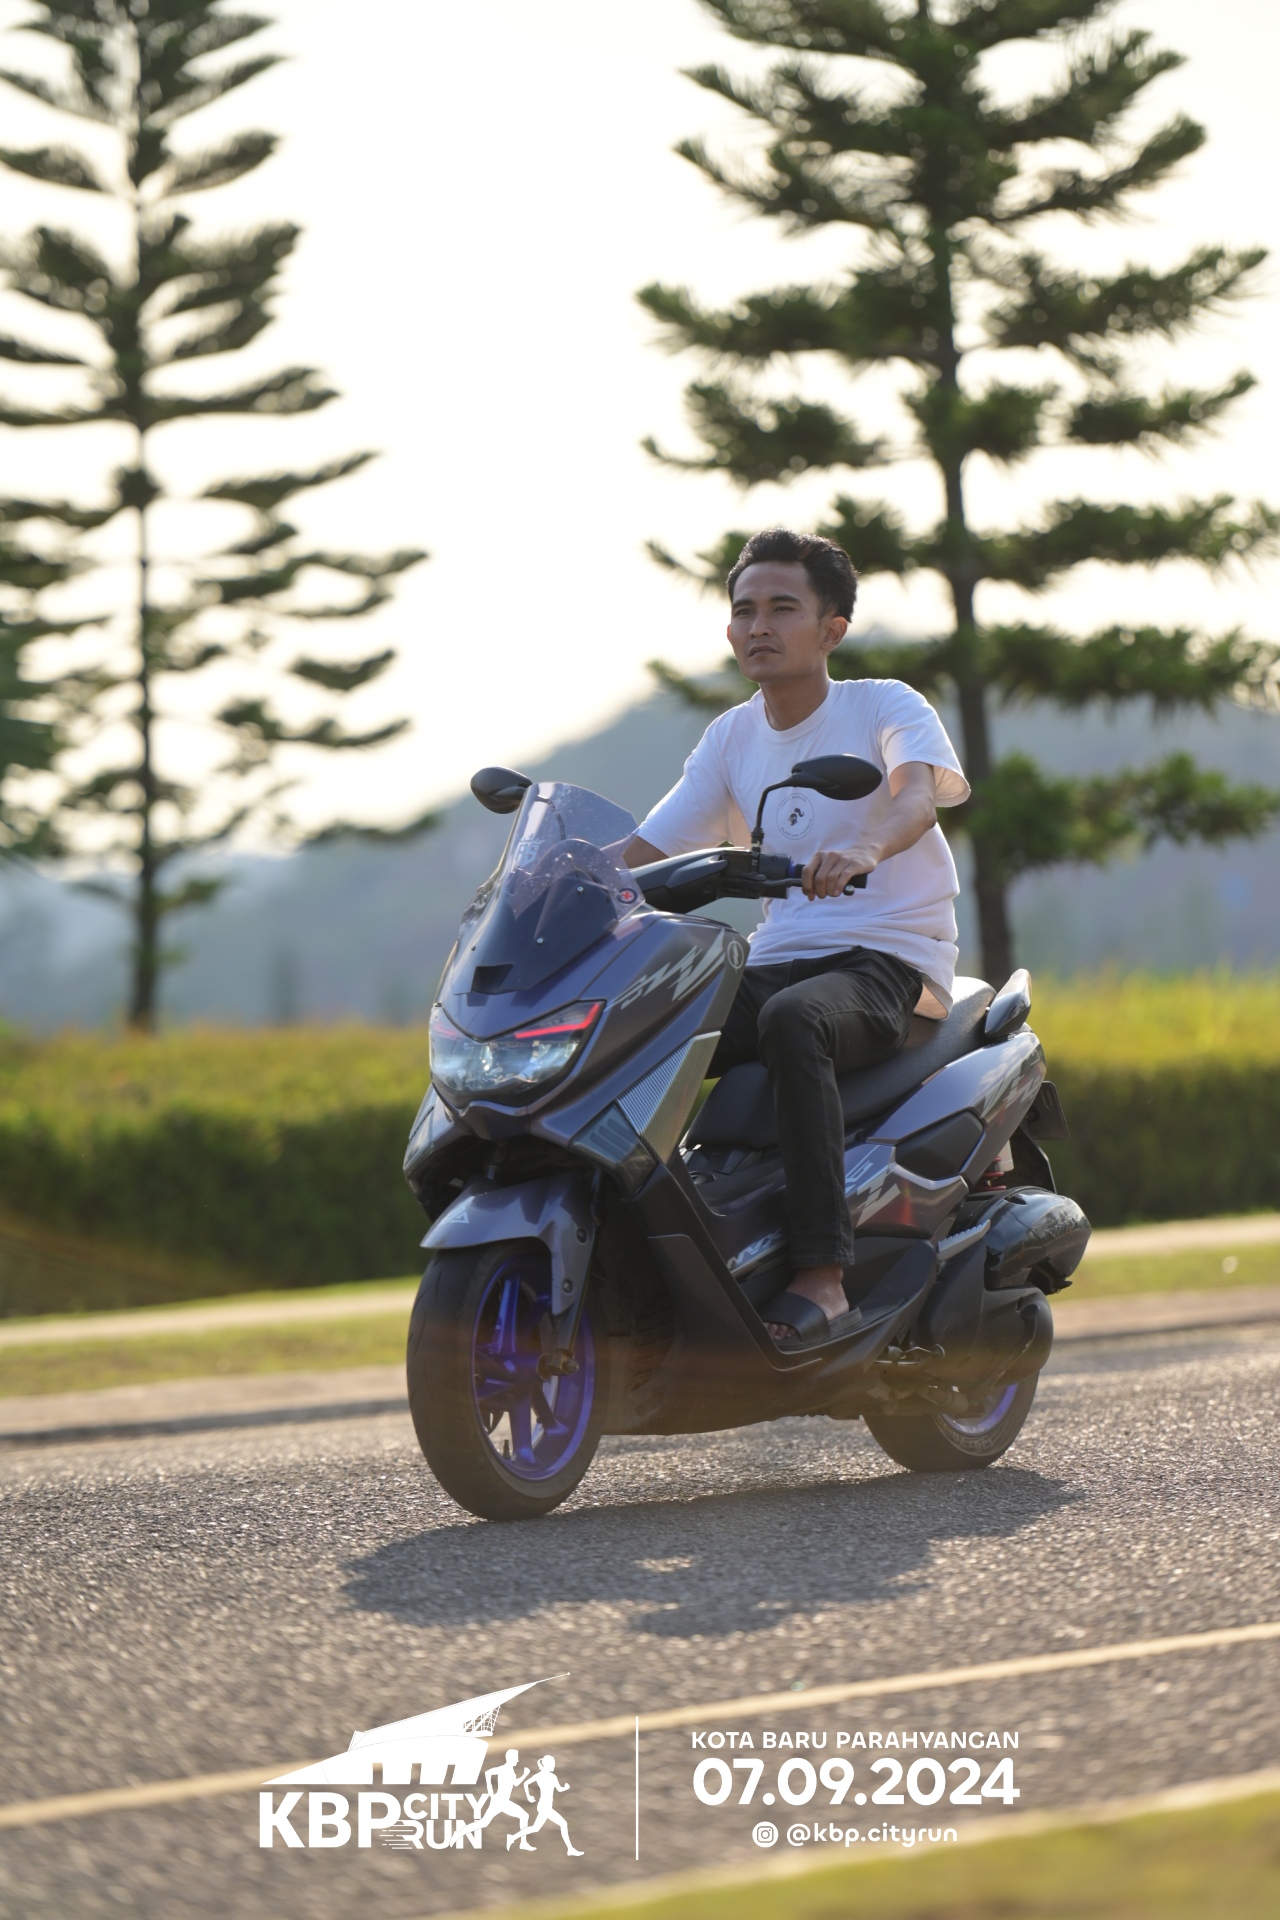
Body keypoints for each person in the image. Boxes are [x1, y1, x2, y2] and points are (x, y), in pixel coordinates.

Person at [625, 527, 969, 1350]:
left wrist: (864, 849)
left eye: (783, 608)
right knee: (637, 1024)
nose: (759, 626)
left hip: (888, 960)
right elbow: (644, 852)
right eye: (745, 610)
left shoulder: (884, 705)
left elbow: (914, 797)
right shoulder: (732, 737)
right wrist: (546, 882)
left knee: (794, 1021)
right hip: (779, 958)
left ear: (831, 629)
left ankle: (822, 1276)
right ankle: (654, 1248)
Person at [523, 1754, 584, 1854]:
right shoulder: (540, 1775)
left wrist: (565, 1787)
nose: (554, 1766)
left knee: (535, 1828)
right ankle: (570, 1849)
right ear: (547, 1764)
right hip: (544, 1806)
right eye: (553, 1764)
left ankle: (513, 1837)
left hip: (547, 1806)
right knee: (563, 1824)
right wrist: (528, 1796)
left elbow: (559, 1789)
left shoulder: (553, 1777)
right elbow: (526, 1783)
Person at [480, 1748, 535, 1850]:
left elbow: (516, 1783)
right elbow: (488, 1773)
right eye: (516, 1758)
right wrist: (490, 1791)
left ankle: (522, 1842)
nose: (517, 1760)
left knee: (484, 1822)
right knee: (484, 1822)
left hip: (504, 1801)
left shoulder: (511, 1771)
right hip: (500, 1800)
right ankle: (522, 1842)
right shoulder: (503, 1769)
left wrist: (524, 1774)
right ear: (510, 1758)